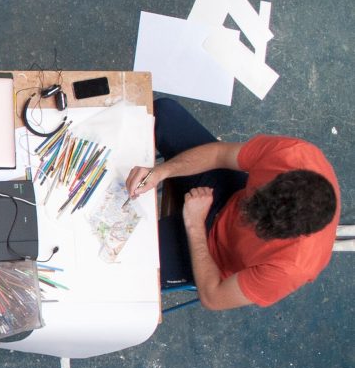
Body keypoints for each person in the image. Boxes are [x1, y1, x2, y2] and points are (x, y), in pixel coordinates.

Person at [127, 99, 340, 310]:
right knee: (163, 114)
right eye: (254, 200)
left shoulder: (290, 268)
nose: (245, 217)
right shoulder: (292, 154)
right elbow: (221, 154)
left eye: (258, 226)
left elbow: (213, 297)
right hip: (225, 195)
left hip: (211, 254)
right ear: (281, 177)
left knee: (117, 256)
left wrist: (195, 226)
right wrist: (161, 172)